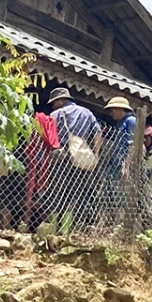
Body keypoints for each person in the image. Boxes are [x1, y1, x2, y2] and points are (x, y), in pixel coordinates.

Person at [49, 87, 102, 218]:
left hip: (62, 158)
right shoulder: (87, 112)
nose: (53, 106)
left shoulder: (55, 115)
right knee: (74, 193)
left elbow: (50, 137)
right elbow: (98, 133)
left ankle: (53, 226)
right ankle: (66, 230)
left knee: (57, 193)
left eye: (54, 103)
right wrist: (96, 154)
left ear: (61, 100)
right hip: (80, 158)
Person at [103, 97, 137, 180]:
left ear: (120, 109)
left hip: (123, 163)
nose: (111, 113)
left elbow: (133, 145)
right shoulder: (119, 123)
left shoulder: (131, 121)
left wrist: (126, 166)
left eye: (112, 110)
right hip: (116, 162)